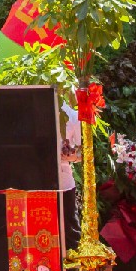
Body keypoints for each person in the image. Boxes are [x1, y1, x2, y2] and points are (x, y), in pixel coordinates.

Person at [58, 102, 82, 251]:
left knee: (69, 226)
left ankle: (73, 269)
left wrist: (71, 157)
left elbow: (82, 152)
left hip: (63, 181)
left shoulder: (73, 116)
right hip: (36, 179)